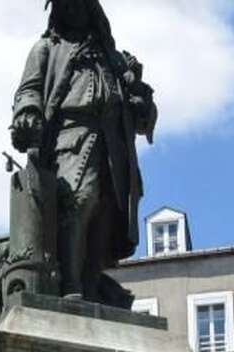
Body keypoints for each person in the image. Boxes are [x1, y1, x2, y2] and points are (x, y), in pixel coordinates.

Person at [10, 0, 157, 301]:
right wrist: (28, 112)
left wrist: (139, 94)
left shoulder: (113, 58)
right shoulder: (46, 49)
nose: (74, 10)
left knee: (107, 212)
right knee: (79, 201)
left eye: (80, 5)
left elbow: (142, 115)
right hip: (70, 138)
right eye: (67, 5)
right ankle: (70, 284)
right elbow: (28, 90)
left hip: (114, 145)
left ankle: (90, 285)